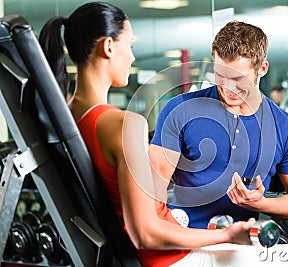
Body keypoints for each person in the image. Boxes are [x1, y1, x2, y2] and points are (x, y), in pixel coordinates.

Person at [37, 3, 267, 267]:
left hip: (158, 249)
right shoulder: (124, 124)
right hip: (170, 259)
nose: (133, 57)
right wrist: (224, 235)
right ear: (109, 47)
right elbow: (145, 233)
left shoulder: (65, 122)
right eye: (130, 45)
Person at [149, 21, 288, 230]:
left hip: (243, 242)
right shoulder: (181, 110)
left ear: (262, 69)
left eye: (238, 79)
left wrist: (263, 203)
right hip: (186, 238)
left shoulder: (284, 127)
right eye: (220, 75)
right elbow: (151, 188)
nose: (228, 87)